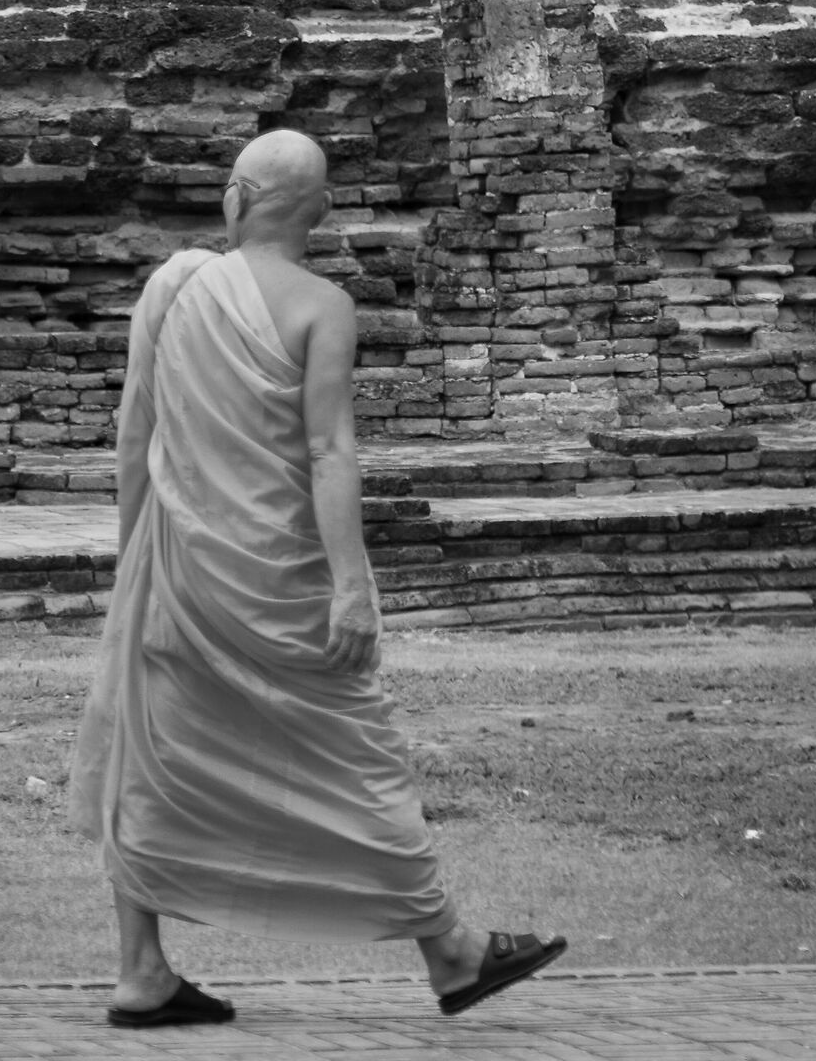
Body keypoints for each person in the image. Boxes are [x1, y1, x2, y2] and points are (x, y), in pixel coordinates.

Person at [69, 127, 567, 1029]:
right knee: (354, 753)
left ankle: (142, 970)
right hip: (285, 577)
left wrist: (134, 552)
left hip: (180, 568)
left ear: (233, 197)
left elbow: (135, 436)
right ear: (322, 211)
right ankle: (451, 953)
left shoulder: (174, 289)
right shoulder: (323, 305)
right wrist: (350, 586)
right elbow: (330, 450)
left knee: (150, 756)